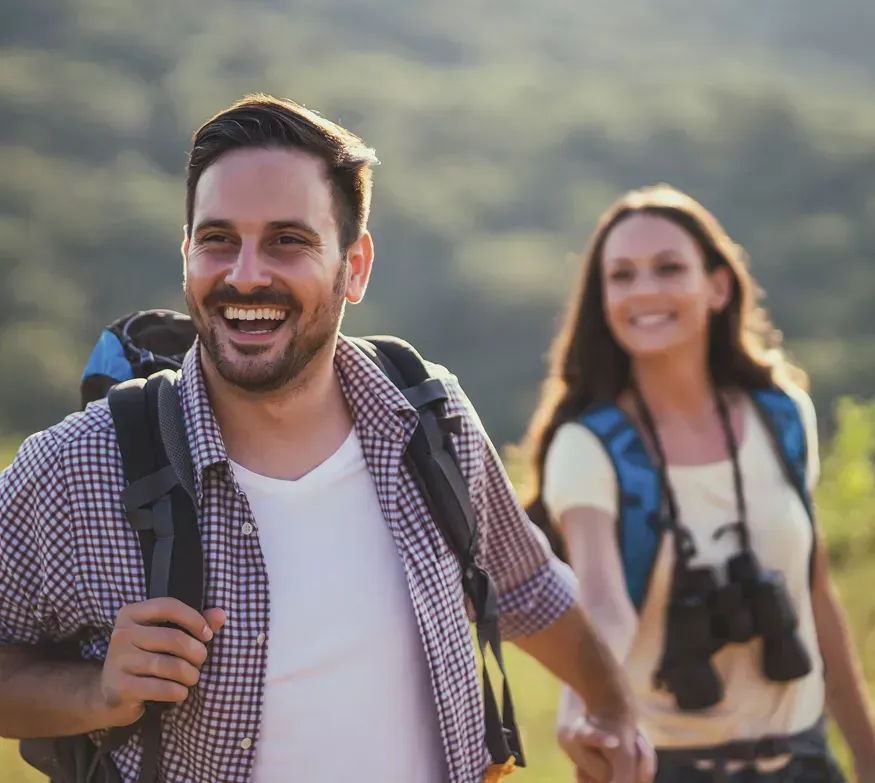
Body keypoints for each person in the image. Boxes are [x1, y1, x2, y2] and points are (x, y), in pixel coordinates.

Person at [0, 95, 651, 783]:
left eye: (288, 240)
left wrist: (613, 711)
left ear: (355, 265)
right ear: (188, 252)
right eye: (219, 238)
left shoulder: (431, 419)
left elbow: (528, 588)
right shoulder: (77, 465)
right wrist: (97, 691)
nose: (246, 273)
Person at [522, 184, 875, 782]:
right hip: (665, 767)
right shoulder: (589, 447)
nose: (644, 291)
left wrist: (867, 755)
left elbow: (815, 595)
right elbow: (603, 601)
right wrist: (582, 707)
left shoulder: (781, 416)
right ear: (602, 299)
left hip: (804, 761)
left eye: (668, 268)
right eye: (622, 276)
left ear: (717, 287)